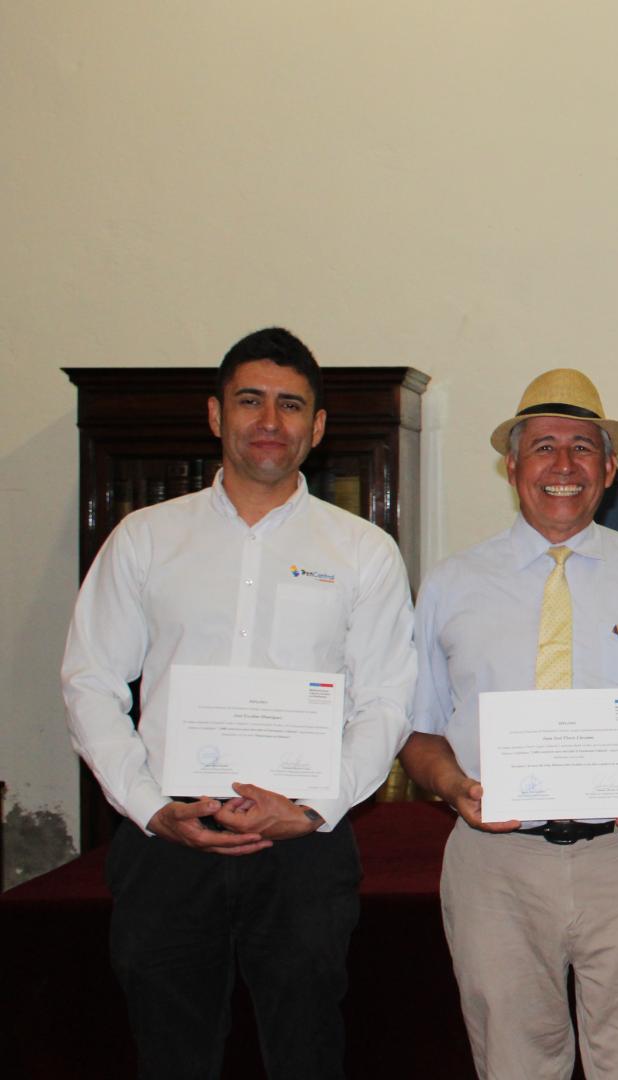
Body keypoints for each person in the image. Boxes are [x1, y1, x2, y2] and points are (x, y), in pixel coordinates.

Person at [60, 328, 416, 1079]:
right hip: (168, 841)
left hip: (303, 850)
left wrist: (316, 807)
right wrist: (151, 806)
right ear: (216, 414)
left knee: (306, 1050)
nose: (269, 421)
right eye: (249, 400)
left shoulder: (362, 552)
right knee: (170, 1052)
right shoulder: (147, 538)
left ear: (316, 428)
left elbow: (386, 699)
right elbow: (91, 680)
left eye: (291, 406)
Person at [400, 368, 618, 1080]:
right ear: (512, 467)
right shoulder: (451, 583)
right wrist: (452, 785)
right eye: (543, 447)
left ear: (608, 469)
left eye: (581, 447)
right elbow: (415, 725)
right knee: (512, 1063)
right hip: (496, 863)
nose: (562, 466)